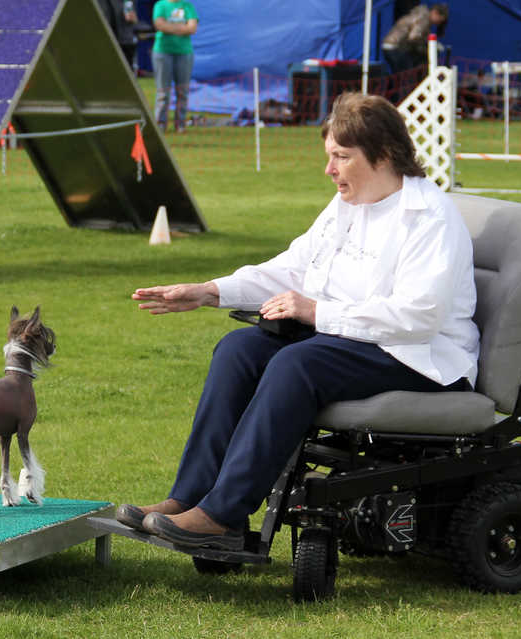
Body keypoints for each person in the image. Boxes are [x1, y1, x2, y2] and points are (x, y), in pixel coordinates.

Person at [117, 92, 479, 551]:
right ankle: (188, 499)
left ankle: (223, 516)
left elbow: (418, 317)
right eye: (330, 156)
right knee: (238, 350)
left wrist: (316, 312)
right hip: (353, 339)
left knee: (297, 364)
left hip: (422, 357)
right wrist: (210, 290)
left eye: (341, 157)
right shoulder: (348, 204)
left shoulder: (430, 218)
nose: (329, 169)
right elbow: (293, 268)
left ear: (384, 155)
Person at [151, 0, 198, 132]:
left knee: (182, 91)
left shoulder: (187, 6)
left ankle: (180, 124)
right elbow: (159, 25)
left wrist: (170, 27)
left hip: (184, 53)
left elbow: (192, 28)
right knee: (163, 91)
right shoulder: (160, 5)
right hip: (162, 52)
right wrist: (182, 28)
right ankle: (160, 125)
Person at [381, 2, 448, 74]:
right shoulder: (424, 19)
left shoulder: (421, 15)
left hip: (390, 45)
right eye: (439, 20)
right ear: (435, 12)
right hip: (395, 47)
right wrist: (426, 48)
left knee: (400, 74)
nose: (438, 23)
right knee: (406, 74)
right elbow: (414, 37)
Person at [98, 0, 139, 71]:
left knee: (128, 71)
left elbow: (135, 20)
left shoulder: (128, 2)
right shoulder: (104, 2)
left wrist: (133, 18)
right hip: (111, 42)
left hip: (127, 42)